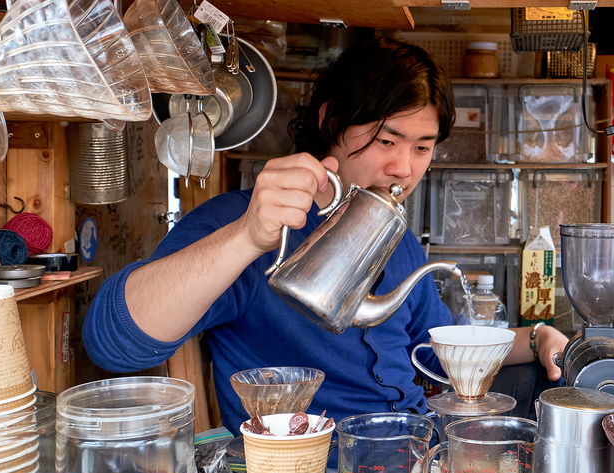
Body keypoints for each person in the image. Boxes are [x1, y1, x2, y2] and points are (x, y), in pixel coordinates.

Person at [84, 36, 570, 436]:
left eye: (422, 148)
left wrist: (540, 337)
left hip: (415, 457)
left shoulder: (395, 240)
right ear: (331, 121)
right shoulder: (244, 221)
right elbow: (112, 343)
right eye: (386, 141)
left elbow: (439, 348)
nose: (403, 167)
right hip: (318, 472)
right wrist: (247, 238)